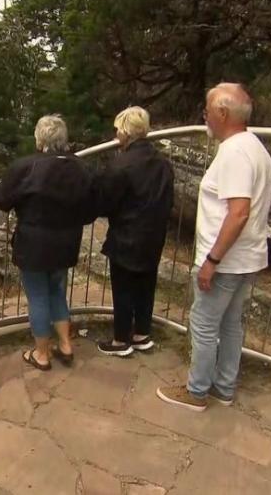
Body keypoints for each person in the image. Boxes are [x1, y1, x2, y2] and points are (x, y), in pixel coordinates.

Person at [157, 83, 271, 412]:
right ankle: (224, 387)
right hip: (247, 257)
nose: (204, 116)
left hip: (226, 261)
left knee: (204, 324)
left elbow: (238, 212)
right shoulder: (255, 146)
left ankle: (196, 391)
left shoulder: (234, 153)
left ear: (222, 113)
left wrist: (212, 260)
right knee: (231, 324)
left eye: (207, 111)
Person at [0, 115, 96, 370]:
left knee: (38, 296)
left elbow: (1, 199)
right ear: (64, 139)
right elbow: (91, 209)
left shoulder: (26, 167)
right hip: (66, 243)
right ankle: (66, 345)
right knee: (57, 292)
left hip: (34, 245)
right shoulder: (81, 168)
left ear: (39, 139)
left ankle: (41, 354)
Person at [95, 107, 174, 357]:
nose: (116, 134)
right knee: (146, 285)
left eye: (117, 130)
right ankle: (141, 333)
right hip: (154, 234)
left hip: (127, 234)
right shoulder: (163, 163)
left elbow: (107, 202)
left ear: (126, 132)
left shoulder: (120, 165)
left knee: (123, 288)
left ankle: (121, 339)